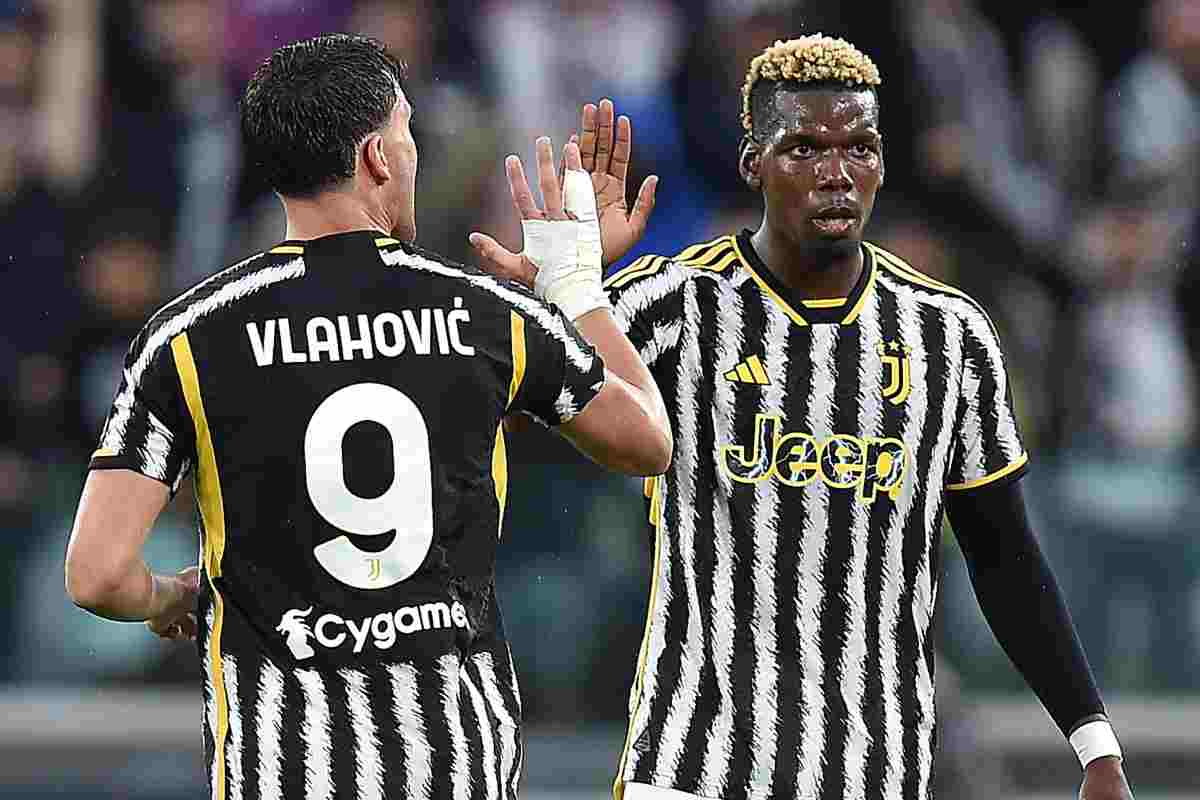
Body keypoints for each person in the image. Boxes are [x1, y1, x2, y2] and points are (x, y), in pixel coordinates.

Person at [473, 34, 1135, 800]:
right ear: (752, 163)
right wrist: (564, 288)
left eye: (860, 148)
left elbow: (1005, 556)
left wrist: (1095, 743)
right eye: (805, 149)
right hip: (695, 771)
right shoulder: (672, 304)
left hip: (874, 774)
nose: (836, 173)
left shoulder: (949, 334)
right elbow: (516, 410)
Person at [63, 33, 671, 800]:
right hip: (453, 767)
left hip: (282, 772)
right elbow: (648, 442)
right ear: (378, 156)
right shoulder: (487, 313)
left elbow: (97, 575)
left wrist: (174, 596)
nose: (413, 151)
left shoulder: (187, 337)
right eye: (407, 130)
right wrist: (577, 286)